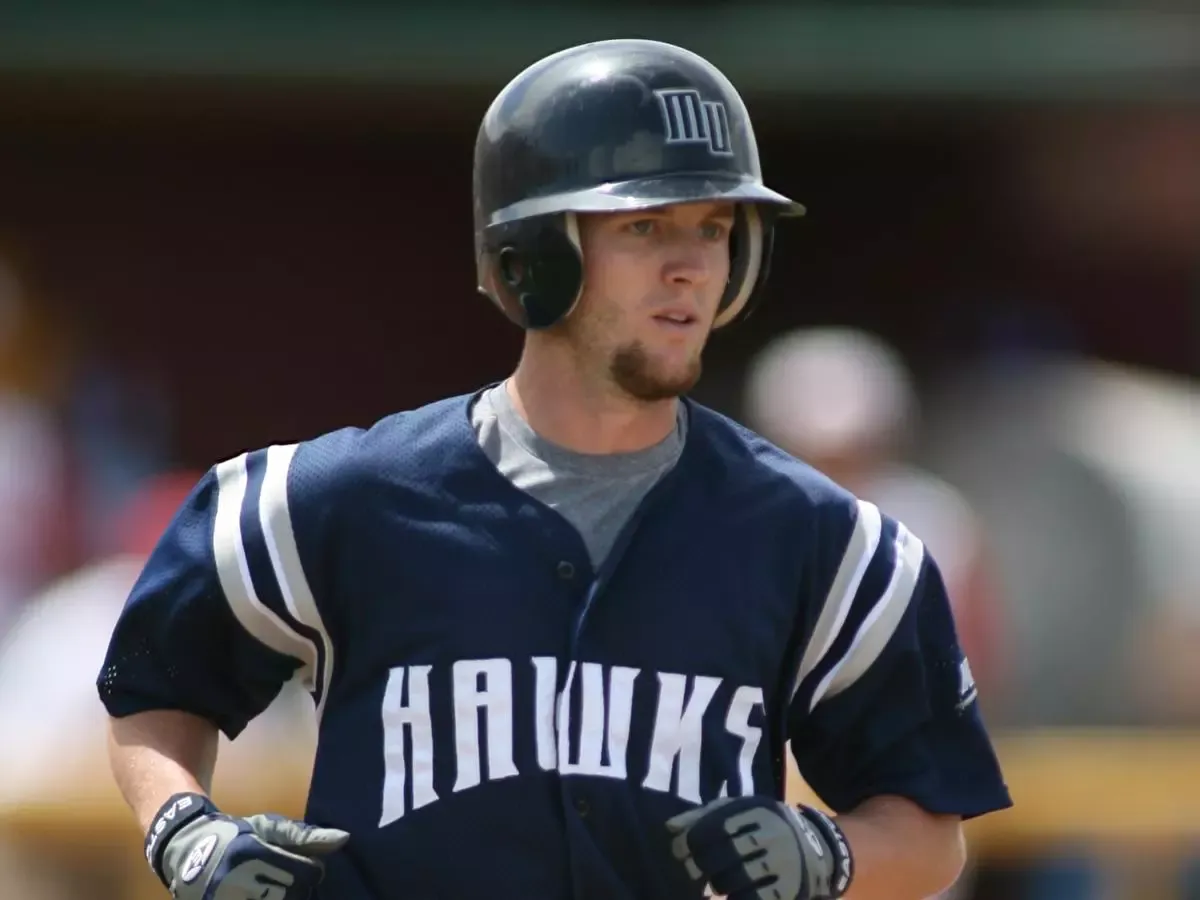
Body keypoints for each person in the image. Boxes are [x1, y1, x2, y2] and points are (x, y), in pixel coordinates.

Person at [97, 39, 1011, 900]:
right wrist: (183, 829)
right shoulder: (335, 502)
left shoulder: (826, 539)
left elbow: (932, 833)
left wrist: (830, 853)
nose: (693, 265)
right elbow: (159, 688)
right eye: (647, 226)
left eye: (718, 226)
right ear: (532, 254)